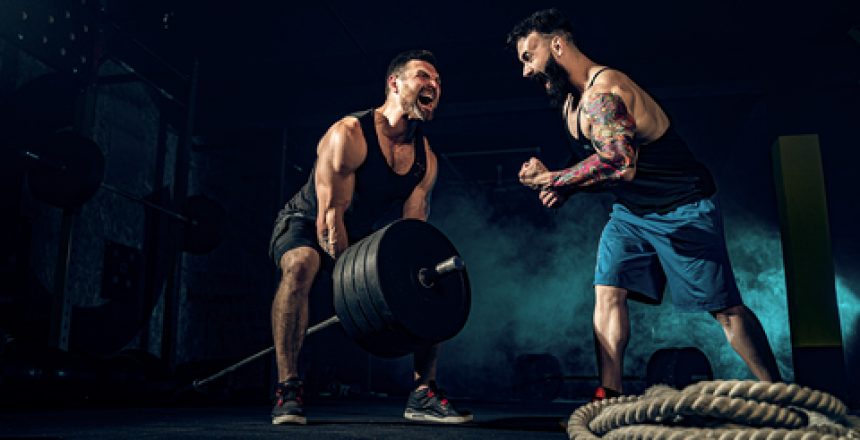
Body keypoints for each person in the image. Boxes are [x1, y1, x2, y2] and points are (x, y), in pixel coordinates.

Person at [507, 9, 782, 400]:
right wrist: (568, 186)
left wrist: (553, 179)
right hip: (631, 214)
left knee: (725, 311)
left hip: (682, 208)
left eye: (528, 57)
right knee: (607, 290)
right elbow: (598, 158)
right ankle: (610, 394)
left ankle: (779, 393)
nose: (526, 71)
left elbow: (620, 163)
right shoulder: (572, 103)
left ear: (557, 44)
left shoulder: (605, 92)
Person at [267, 50, 471, 424]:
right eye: (424, 77)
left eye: (439, 82)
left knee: (427, 272)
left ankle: (423, 391)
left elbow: (414, 235)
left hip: (359, 232)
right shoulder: (349, 134)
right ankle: (288, 386)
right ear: (394, 83)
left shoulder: (426, 159)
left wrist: (406, 287)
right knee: (302, 264)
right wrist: (355, 289)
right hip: (307, 219)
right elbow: (329, 221)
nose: (434, 86)